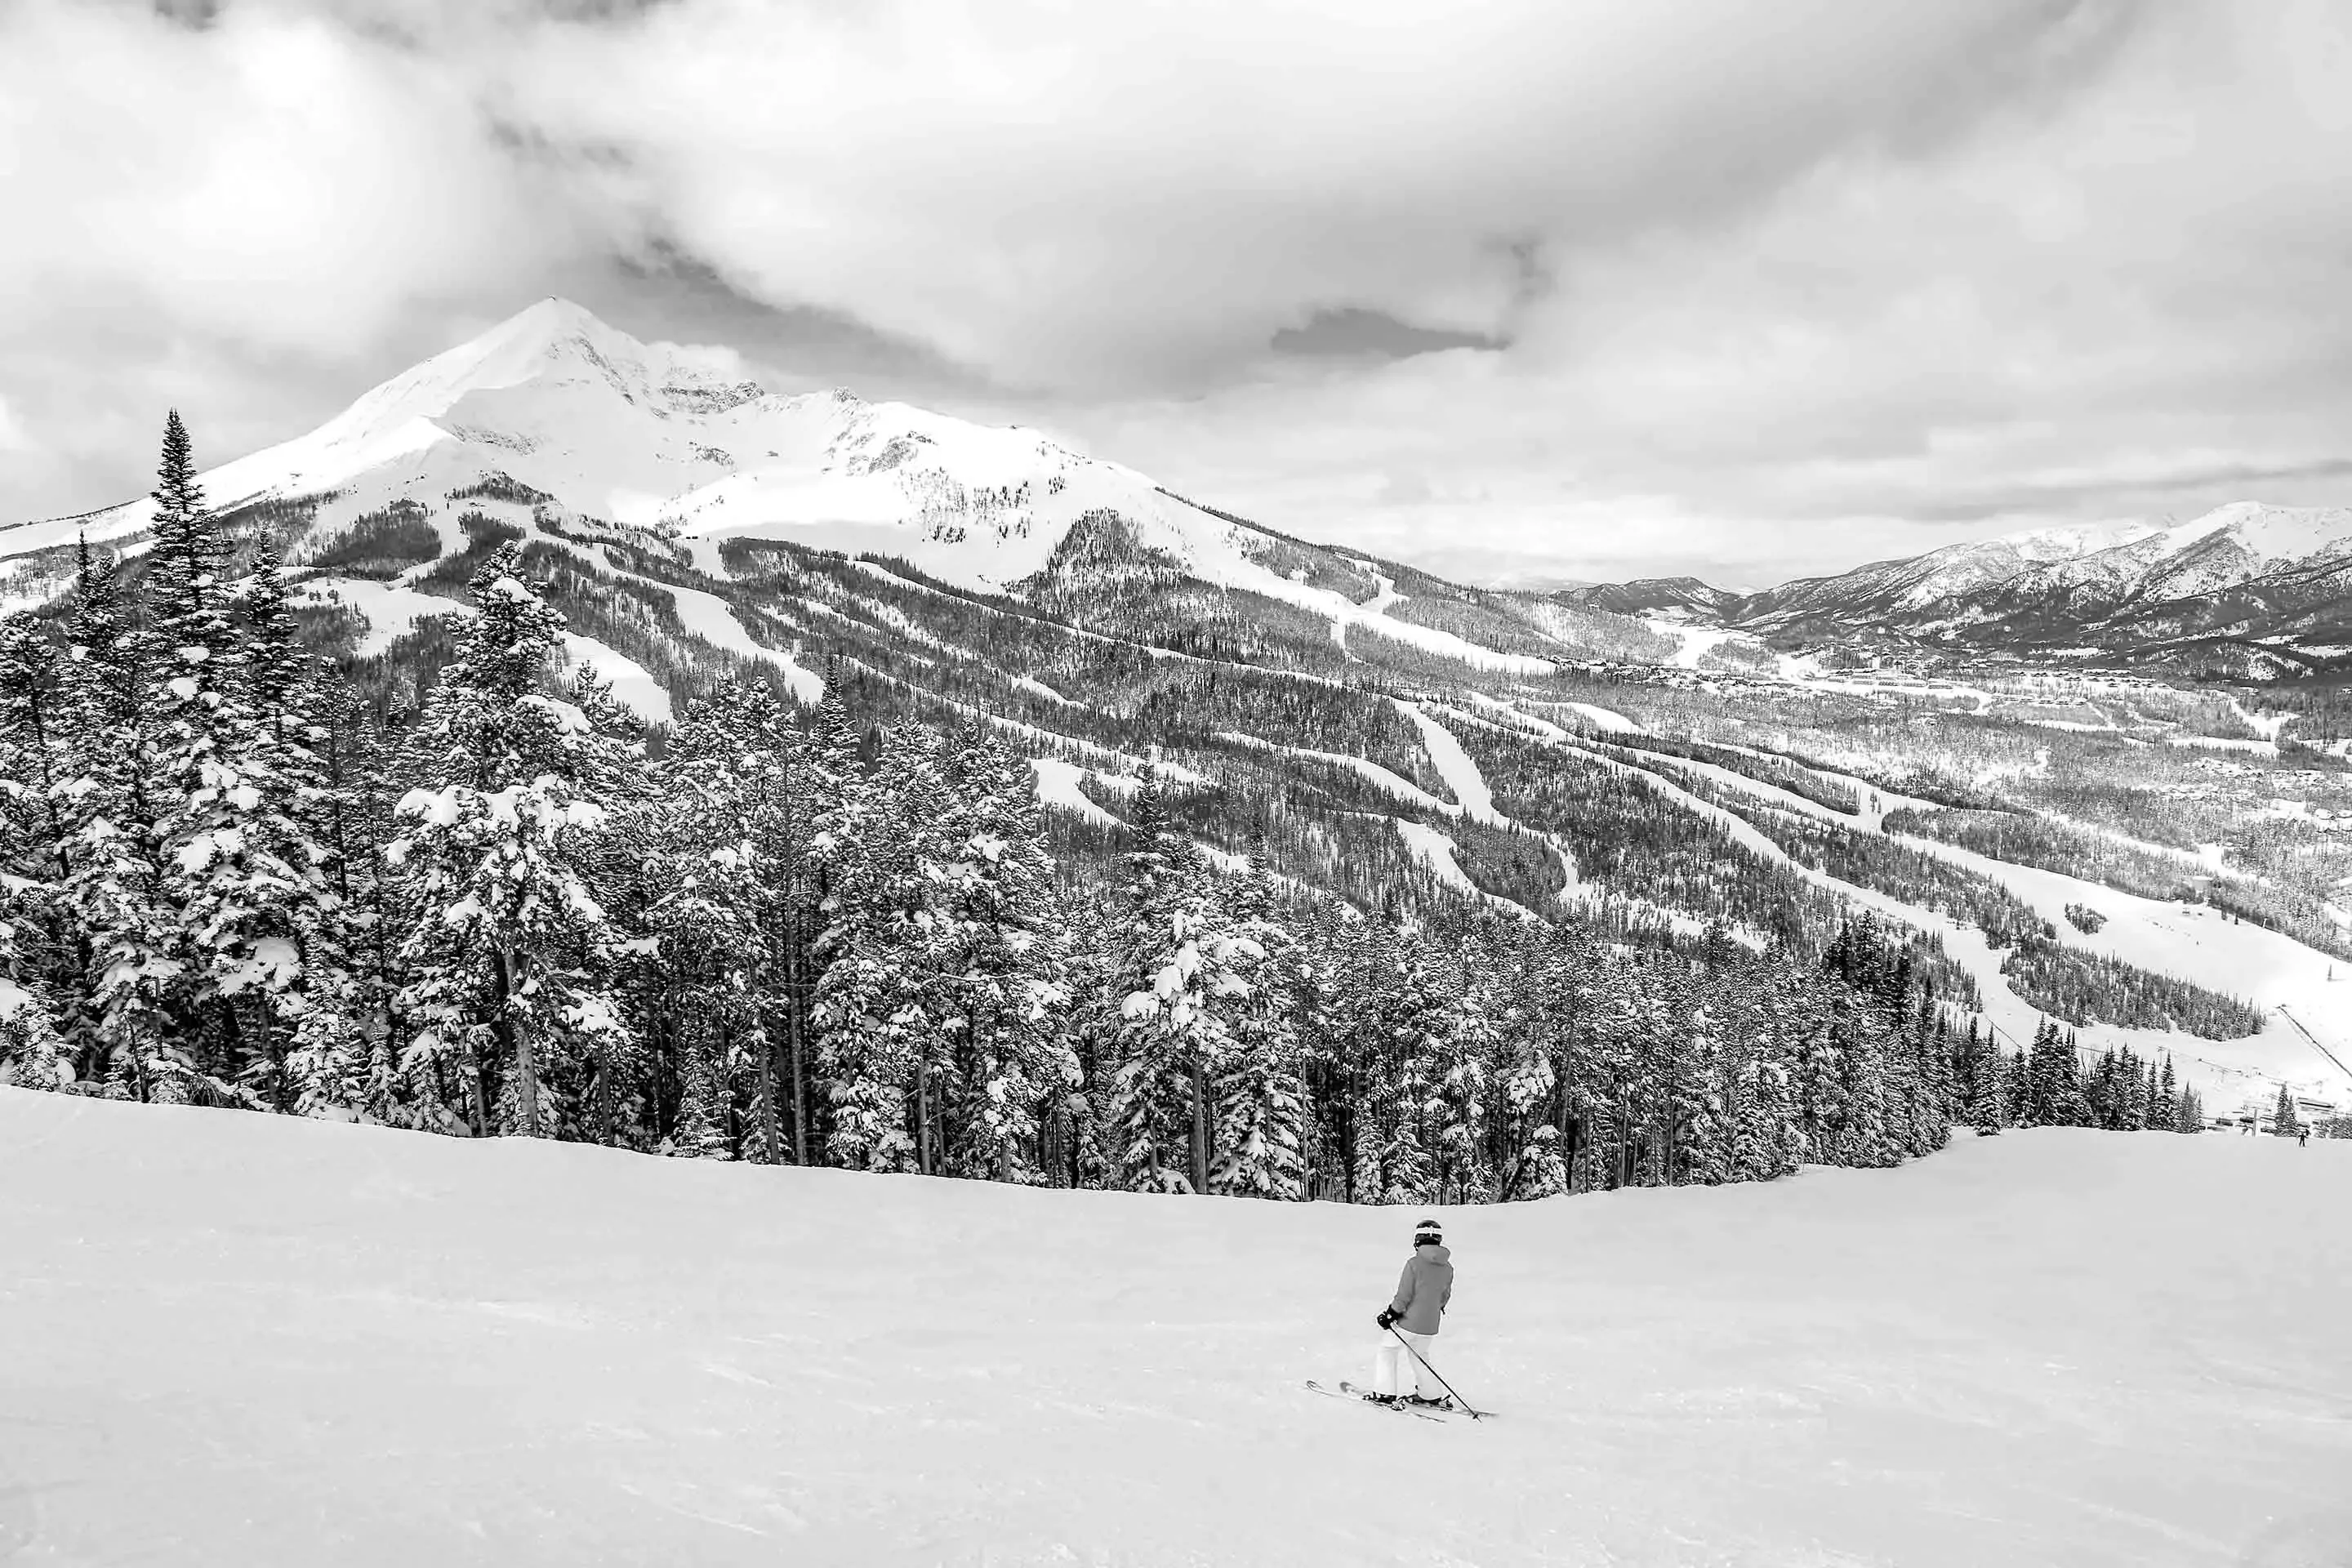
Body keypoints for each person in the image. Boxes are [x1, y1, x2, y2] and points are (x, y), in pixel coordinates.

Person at [1372, 1218, 1454, 1406]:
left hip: (1409, 1321)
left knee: (1387, 1350)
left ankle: (1385, 1393)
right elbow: (1444, 1296)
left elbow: (1404, 1295)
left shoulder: (1414, 1264)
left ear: (1417, 1240)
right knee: (1420, 1354)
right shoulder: (1448, 1267)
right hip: (1431, 1323)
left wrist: (1391, 1314)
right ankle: (1431, 1394)